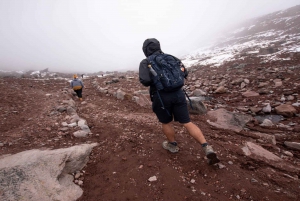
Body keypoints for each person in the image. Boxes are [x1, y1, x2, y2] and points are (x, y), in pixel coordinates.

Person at [139, 38, 220, 165]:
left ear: (145, 49)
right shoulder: (172, 58)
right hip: (179, 94)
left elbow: (145, 81)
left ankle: (172, 145)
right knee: (187, 122)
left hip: (161, 97)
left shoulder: (146, 62)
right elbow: (185, 73)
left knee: (166, 122)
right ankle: (206, 147)